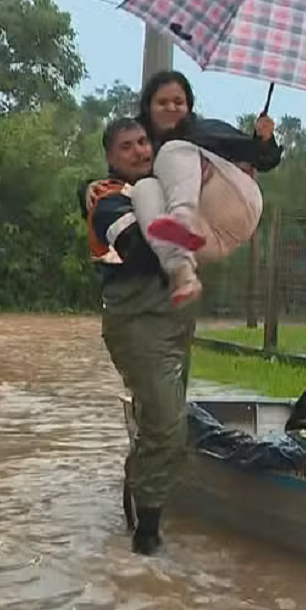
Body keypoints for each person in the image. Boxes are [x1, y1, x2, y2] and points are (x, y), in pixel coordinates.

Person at [80, 117, 195, 556]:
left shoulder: (161, 192)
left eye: (144, 142)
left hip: (175, 318)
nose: (139, 151)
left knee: (162, 419)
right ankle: (146, 540)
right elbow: (143, 249)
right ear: (110, 158)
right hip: (136, 321)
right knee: (168, 426)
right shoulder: (107, 202)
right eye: (126, 146)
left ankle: (141, 493)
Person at [127, 70, 283, 307]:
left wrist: (264, 138)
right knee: (143, 188)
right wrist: (88, 189)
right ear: (148, 107)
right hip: (208, 238)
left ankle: (180, 222)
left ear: (189, 107)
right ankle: (183, 272)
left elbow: (263, 158)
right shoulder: (138, 146)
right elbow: (115, 180)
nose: (171, 107)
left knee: (173, 150)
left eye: (178, 102)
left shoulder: (204, 129)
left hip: (237, 203)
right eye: (162, 102)